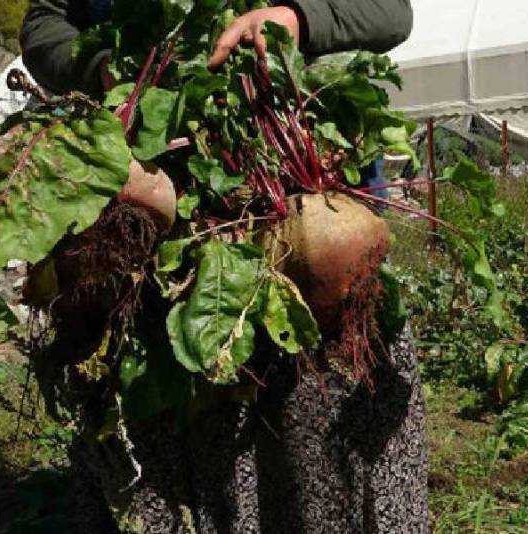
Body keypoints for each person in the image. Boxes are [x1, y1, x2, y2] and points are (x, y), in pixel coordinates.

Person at [21, 2, 425, 532]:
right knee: (172, 445)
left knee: (320, 437)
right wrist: (99, 62)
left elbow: (389, 11)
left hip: (305, 219)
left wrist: (297, 19)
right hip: (151, 244)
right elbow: (43, 22)